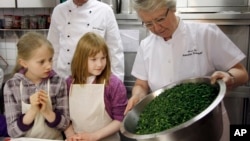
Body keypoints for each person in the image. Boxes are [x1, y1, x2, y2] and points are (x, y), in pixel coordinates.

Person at [124, 0, 249, 141]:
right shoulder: (146, 45)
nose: (157, 28)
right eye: (148, 24)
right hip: (166, 129)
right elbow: (141, 84)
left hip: (208, 125)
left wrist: (230, 78)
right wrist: (137, 96)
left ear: (173, 8)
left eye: (160, 19)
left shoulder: (205, 33)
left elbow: (242, 73)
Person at [3, 32, 70, 139]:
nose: (48, 66)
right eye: (41, 62)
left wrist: (47, 112)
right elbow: (12, 132)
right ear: (24, 63)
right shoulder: (11, 86)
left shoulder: (58, 82)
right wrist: (33, 111)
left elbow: (65, 124)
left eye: (50, 59)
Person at [64, 32, 128, 141]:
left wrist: (94, 136)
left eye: (103, 58)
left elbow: (120, 119)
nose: (99, 64)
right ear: (81, 59)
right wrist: (71, 136)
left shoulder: (113, 84)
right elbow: (64, 117)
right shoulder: (69, 83)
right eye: (93, 59)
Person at [47, 0, 125, 81]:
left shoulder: (105, 11)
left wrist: (118, 82)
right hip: (64, 76)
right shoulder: (59, 11)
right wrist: (53, 78)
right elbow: (52, 48)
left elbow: (115, 50)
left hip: (95, 80)